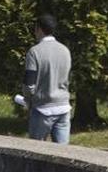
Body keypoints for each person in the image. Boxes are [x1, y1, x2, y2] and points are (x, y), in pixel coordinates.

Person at [22, 14, 72, 143]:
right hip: (63, 106)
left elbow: (29, 83)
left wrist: (28, 100)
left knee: (36, 152)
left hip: (42, 108)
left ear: (39, 29)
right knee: (63, 153)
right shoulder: (65, 50)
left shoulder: (34, 52)